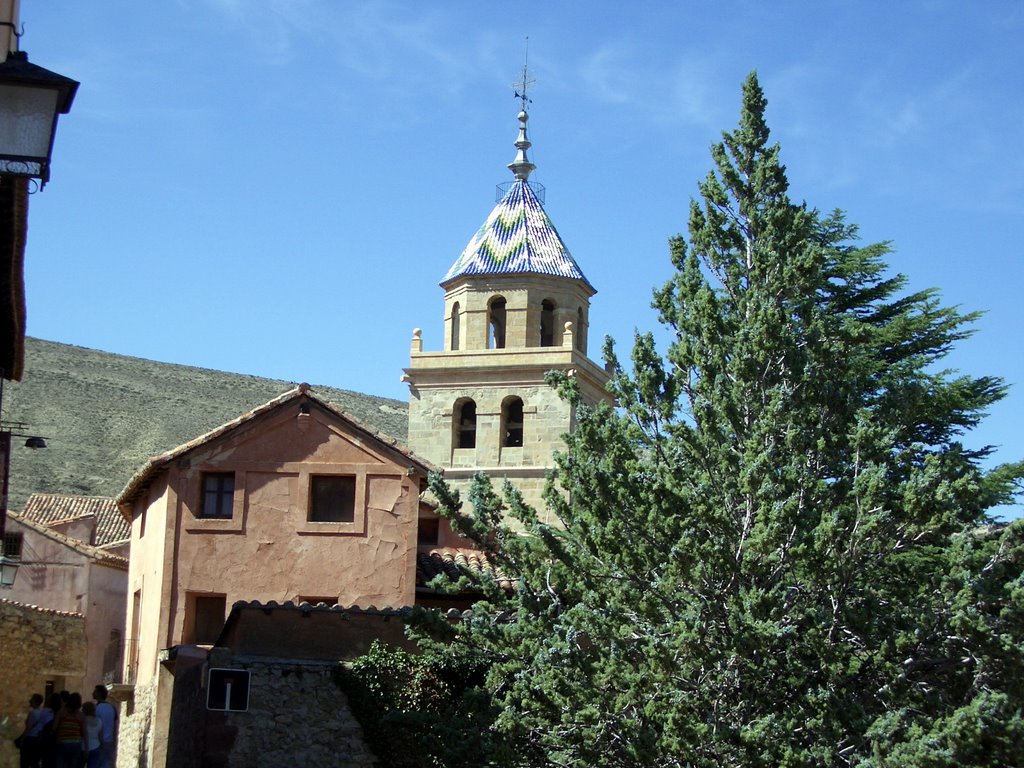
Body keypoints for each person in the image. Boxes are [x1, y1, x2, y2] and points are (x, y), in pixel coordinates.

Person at [51, 692, 85, 768]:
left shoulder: (61, 712)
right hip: (76, 743)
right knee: (72, 765)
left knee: (59, 764)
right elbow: (84, 732)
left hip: (62, 742)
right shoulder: (81, 715)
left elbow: (54, 727)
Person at [17, 693, 50, 768]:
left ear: (35, 701)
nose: (30, 701)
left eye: (32, 699)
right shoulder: (42, 713)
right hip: (38, 739)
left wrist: (22, 739)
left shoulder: (33, 713)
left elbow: (28, 728)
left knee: (25, 762)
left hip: (30, 739)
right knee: (35, 762)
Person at [91, 686, 117, 768]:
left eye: (95, 691)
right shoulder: (112, 708)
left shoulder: (97, 708)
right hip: (109, 740)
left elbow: (96, 725)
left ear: (99, 694)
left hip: (98, 741)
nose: (93, 693)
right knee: (106, 763)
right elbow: (115, 725)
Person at [80, 703, 101, 768]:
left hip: (82, 747)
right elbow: (101, 736)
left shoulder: (82, 720)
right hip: (96, 746)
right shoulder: (99, 721)